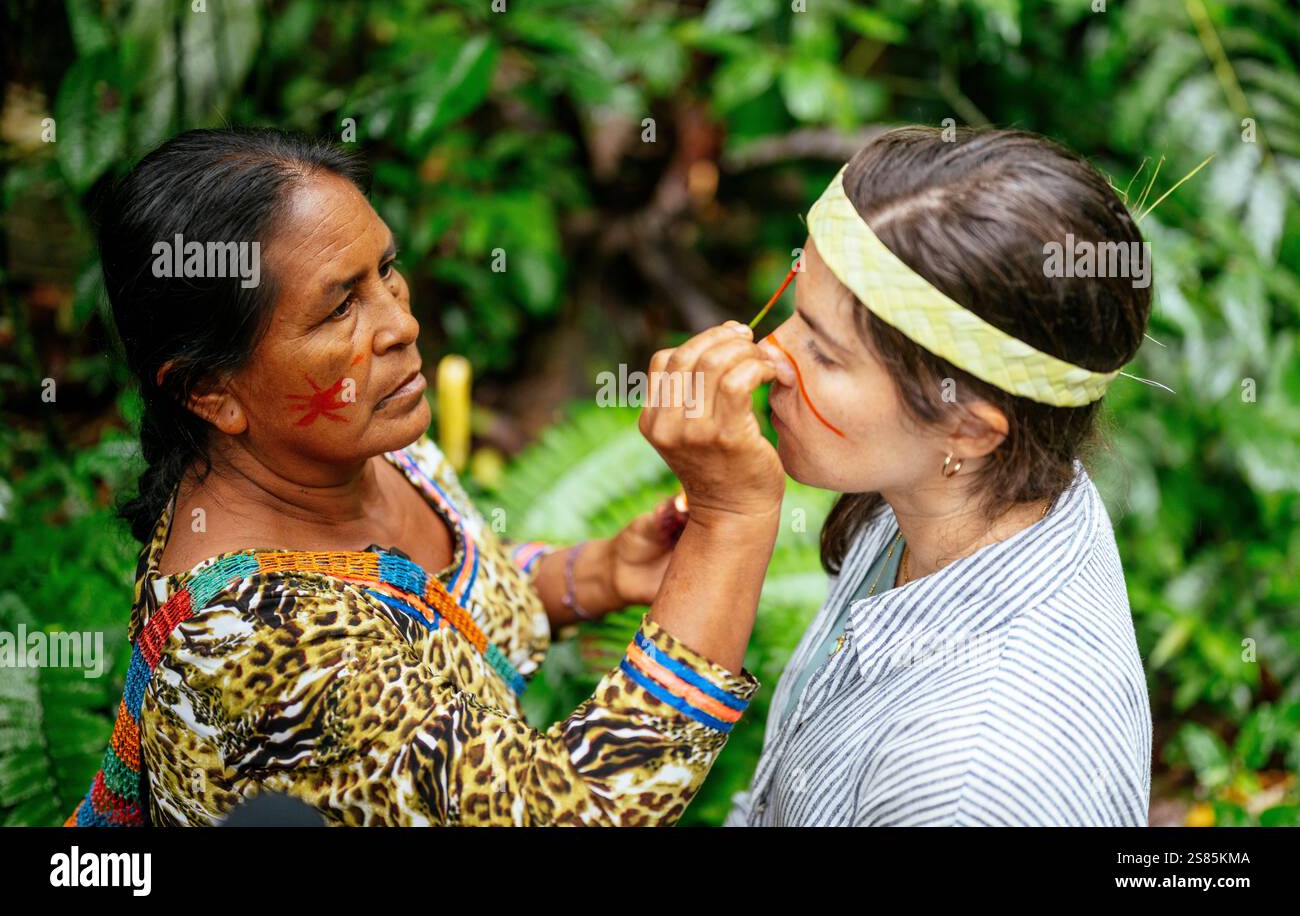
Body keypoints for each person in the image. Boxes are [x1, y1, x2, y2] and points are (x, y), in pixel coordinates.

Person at [65, 128, 784, 826]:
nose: (399, 324)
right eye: (339, 307)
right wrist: (731, 517)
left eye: (386, 269)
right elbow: (570, 809)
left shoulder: (363, 448)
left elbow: (440, 607)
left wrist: (595, 574)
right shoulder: (261, 645)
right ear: (209, 391)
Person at [725, 126, 1154, 826]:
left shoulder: (971, 782)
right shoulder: (947, 496)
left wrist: (727, 525)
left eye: (826, 355)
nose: (768, 353)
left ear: (969, 427)